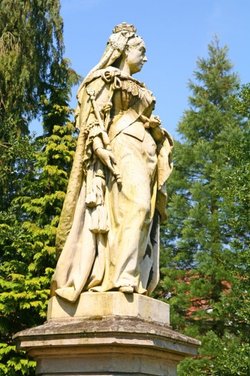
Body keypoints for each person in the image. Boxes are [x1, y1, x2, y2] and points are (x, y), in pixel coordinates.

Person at [51, 23, 173, 302]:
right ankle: (121, 278)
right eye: (141, 50)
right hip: (121, 146)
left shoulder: (140, 85)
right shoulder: (105, 78)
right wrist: (97, 146)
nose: (145, 57)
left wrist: (152, 127)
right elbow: (90, 119)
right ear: (124, 49)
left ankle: (132, 275)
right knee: (136, 205)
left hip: (147, 151)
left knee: (145, 215)